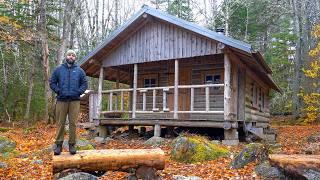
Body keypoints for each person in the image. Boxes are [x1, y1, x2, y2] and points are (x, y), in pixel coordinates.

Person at [50, 50, 88, 155]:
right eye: (69, 55)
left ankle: (72, 144)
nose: (71, 57)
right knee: (60, 123)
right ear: (66, 56)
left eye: (73, 55)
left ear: (75, 58)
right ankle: (58, 145)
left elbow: (84, 84)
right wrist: (58, 91)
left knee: (73, 124)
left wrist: (78, 92)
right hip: (61, 100)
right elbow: (52, 82)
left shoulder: (80, 71)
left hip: (74, 101)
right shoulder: (58, 70)